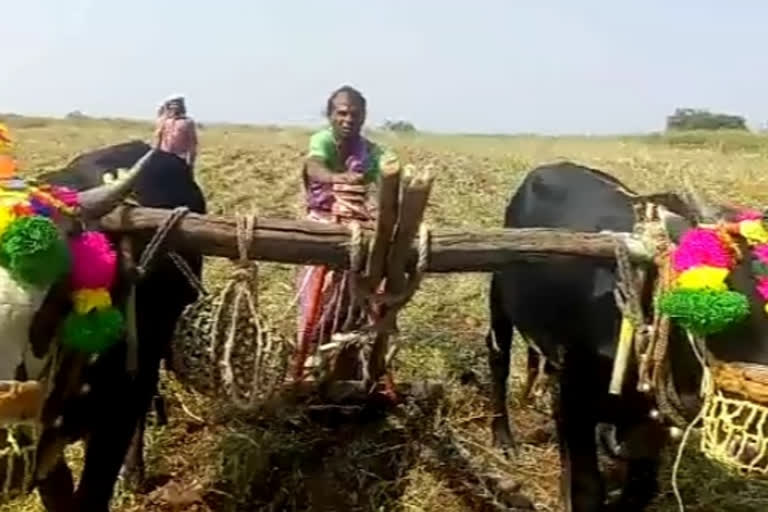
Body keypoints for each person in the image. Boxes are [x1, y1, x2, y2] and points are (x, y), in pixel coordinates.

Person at [294, 85, 391, 382]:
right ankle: (307, 353)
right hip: (321, 222)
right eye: (342, 113)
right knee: (316, 297)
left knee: (359, 293)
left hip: (356, 227)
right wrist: (337, 180)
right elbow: (313, 165)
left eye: (355, 114)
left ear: (364, 118)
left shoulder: (372, 152)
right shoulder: (323, 141)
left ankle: (350, 353)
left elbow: (390, 168)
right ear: (331, 115)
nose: (348, 119)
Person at [154, 95, 198, 169]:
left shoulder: (187, 122)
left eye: (177, 105)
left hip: (180, 158)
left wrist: (191, 162)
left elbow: (192, 143)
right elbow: (158, 137)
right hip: (164, 156)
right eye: (172, 106)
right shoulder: (165, 121)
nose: (174, 108)